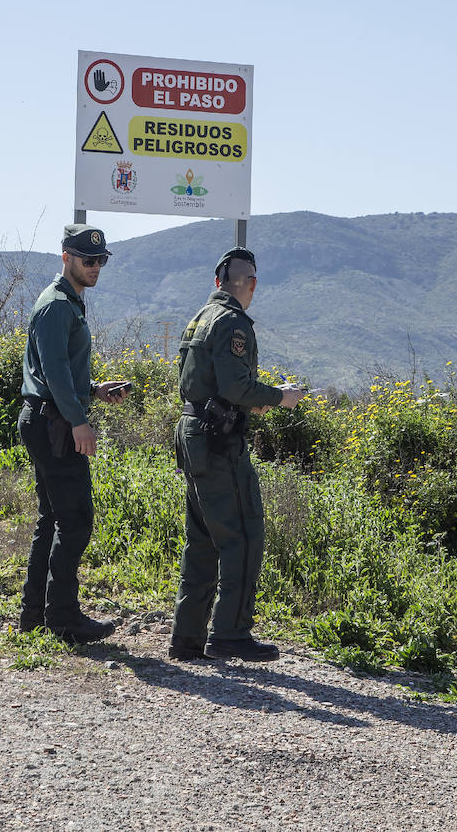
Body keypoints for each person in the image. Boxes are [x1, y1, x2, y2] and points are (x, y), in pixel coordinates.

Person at [169, 248, 304, 662]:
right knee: (244, 536)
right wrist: (280, 397)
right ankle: (230, 633)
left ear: (217, 283)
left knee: (203, 540)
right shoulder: (232, 323)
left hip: (194, 433)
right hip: (218, 440)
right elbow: (233, 386)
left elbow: (205, 382)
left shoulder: (200, 318)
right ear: (252, 285)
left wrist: (245, 400)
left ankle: (187, 639)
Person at [17, 224, 129, 644]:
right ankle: (62, 617)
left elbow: (62, 372)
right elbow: (54, 373)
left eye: (101, 260)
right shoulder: (57, 306)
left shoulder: (68, 302)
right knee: (76, 520)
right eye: (88, 259)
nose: (96, 266)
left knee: (53, 519)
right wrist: (79, 420)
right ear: (66, 257)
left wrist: (94, 390)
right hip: (55, 423)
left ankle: (36, 614)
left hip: (51, 417)